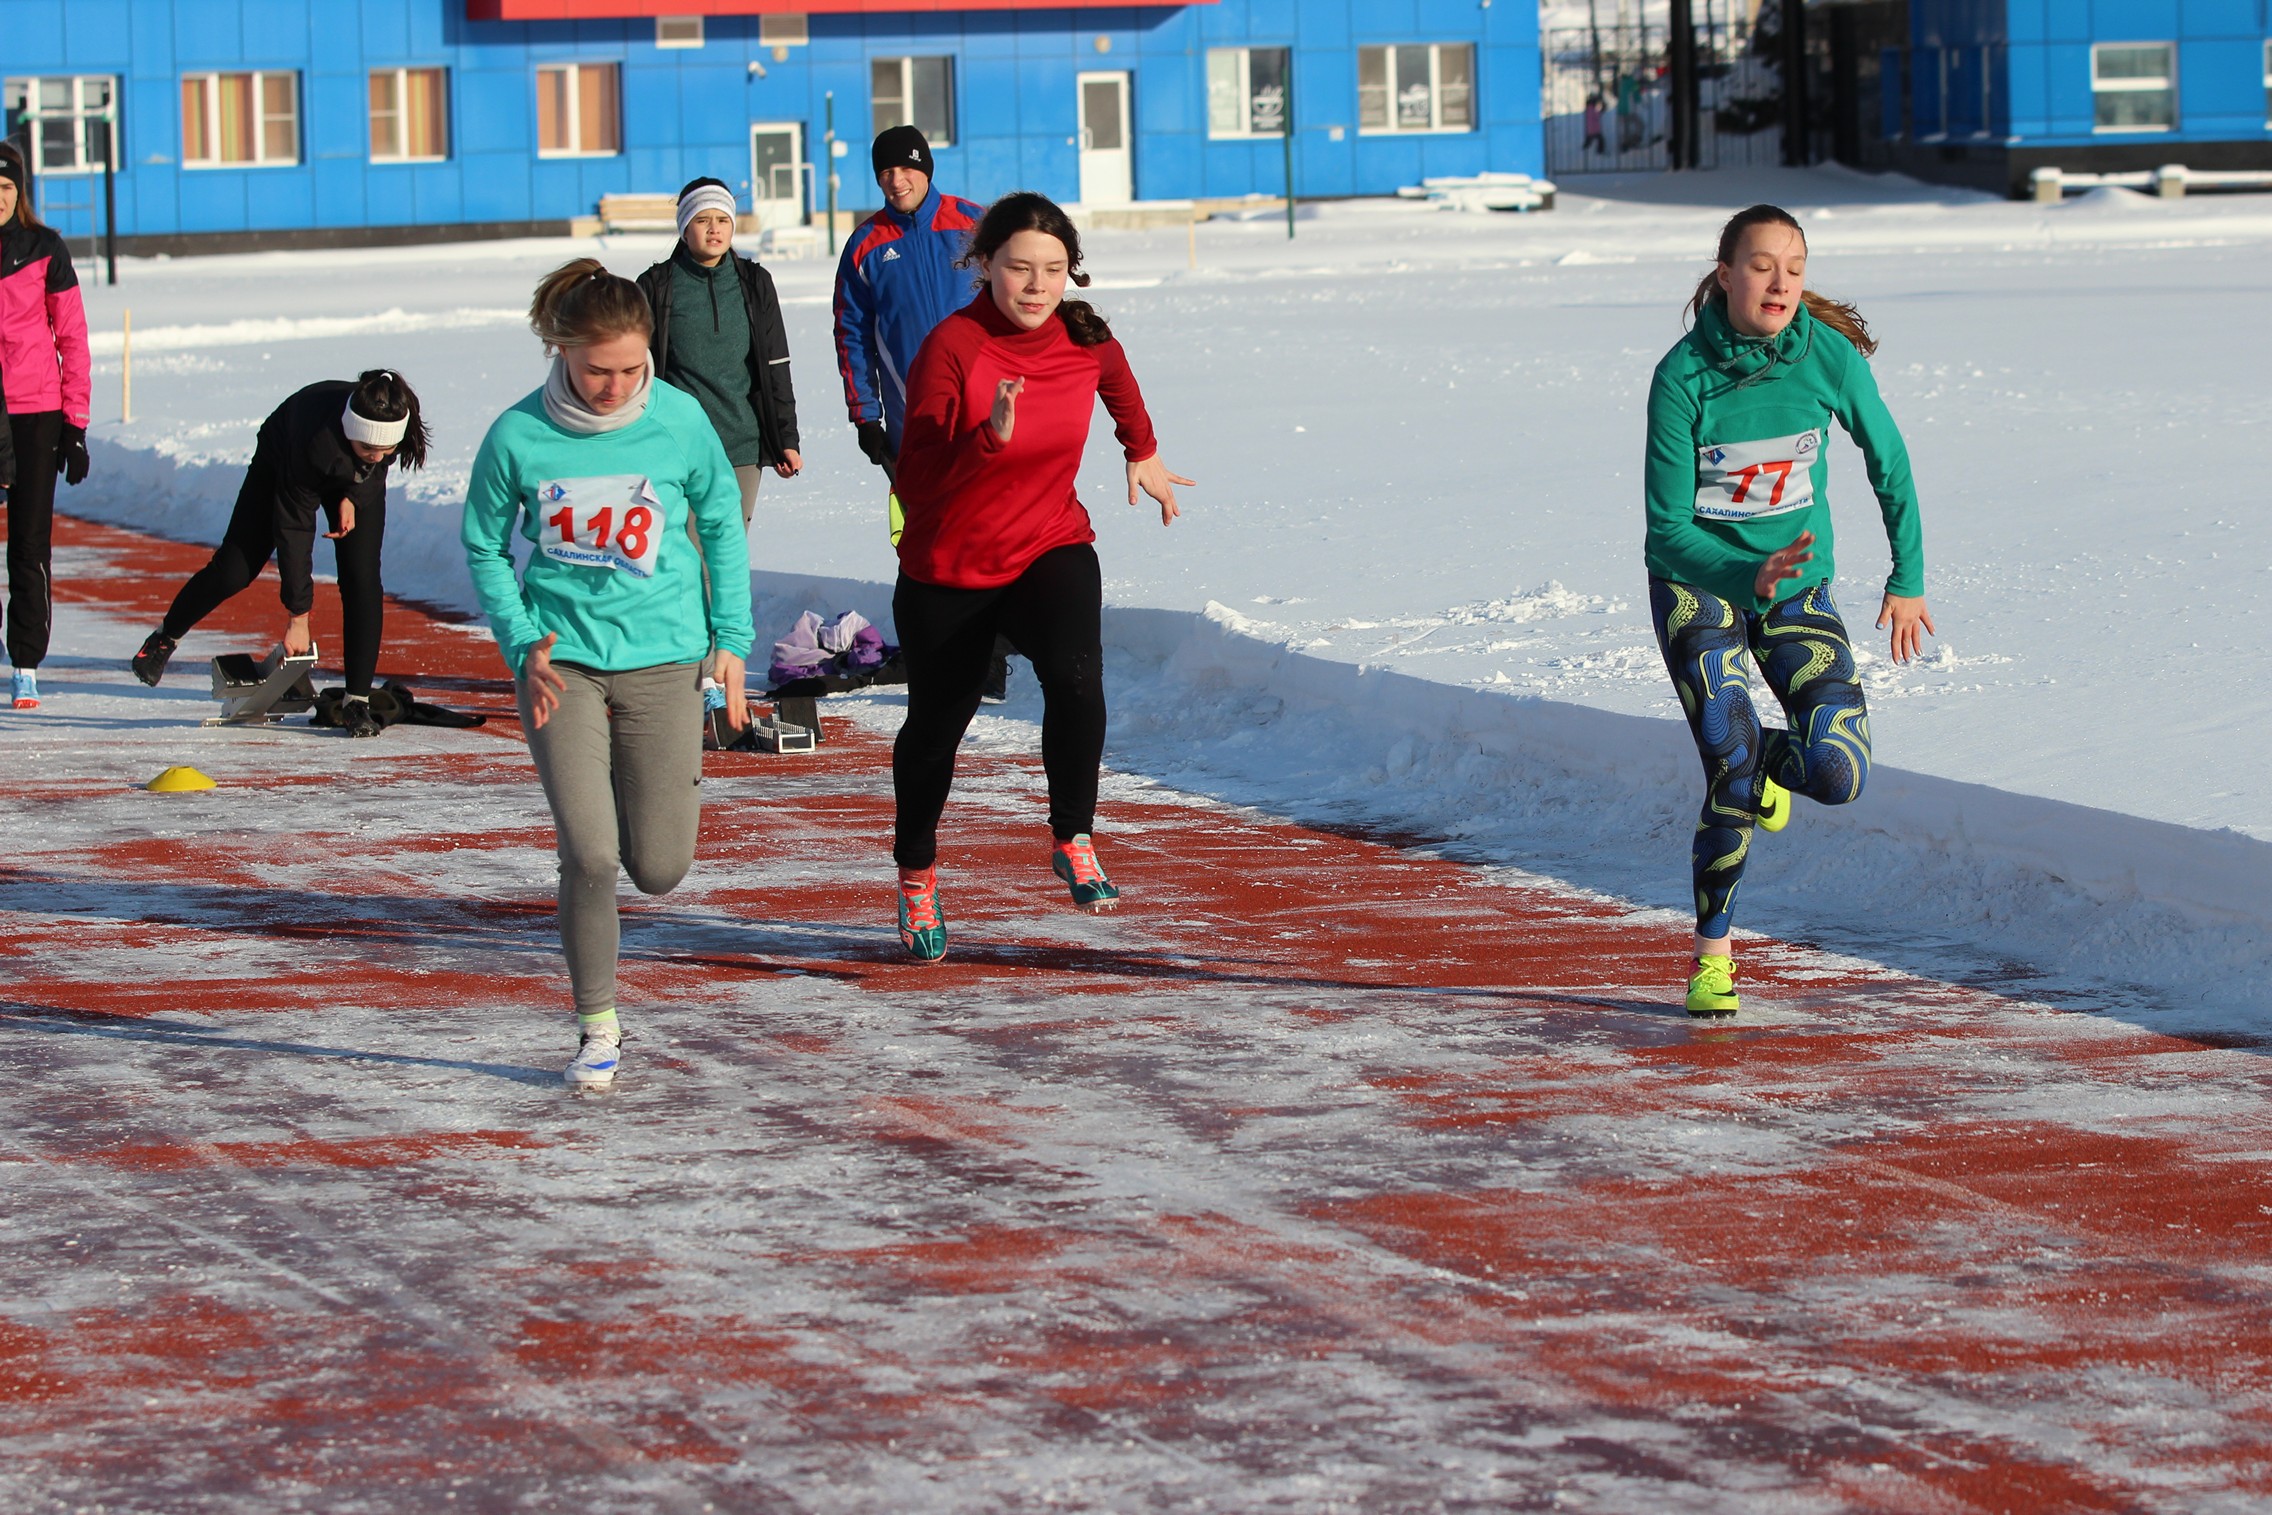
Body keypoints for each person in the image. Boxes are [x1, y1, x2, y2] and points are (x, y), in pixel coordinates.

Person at [461, 259, 755, 1090]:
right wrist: (521, 640)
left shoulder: (678, 420)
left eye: (631, 368)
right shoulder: (518, 434)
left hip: (665, 657)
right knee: (591, 853)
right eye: (598, 369)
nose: (615, 385)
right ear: (561, 349)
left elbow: (721, 523)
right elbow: (483, 543)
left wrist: (730, 637)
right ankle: (597, 1022)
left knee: (658, 867)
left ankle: (628, 811)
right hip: (563, 668)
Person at [886, 192, 1194, 962]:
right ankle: (917, 873)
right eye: (1019, 267)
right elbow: (916, 479)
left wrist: (1142, 449)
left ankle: (1073, 834)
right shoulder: (952, 347)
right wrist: (988, 436)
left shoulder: (1085, 338)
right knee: (936, 728)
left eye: (1052, 270)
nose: (1035, 285)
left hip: (1048, 543)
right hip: (948, 566)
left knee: (1077, 677)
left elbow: (1118, 384)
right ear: (984, 264)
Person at [1643, 203, 1933, 1019]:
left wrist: (1907, 578)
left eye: (1795, 266)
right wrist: (1746, 566)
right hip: (1696, 583)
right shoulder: (1682, 376)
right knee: (1726, 763)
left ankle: (1765, 760)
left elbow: (1891, 460)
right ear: (1727, 272)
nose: (1781, 282)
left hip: (1795, 590)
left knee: (1841, 774)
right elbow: (1666, 529)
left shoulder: (1825, 357)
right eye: (1763, 264)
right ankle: (1713, 958)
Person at [132, 371, 430, 736]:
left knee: (362, 578)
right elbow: (295, 532)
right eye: (369, 449)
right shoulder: (313, 442)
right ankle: (165, 637)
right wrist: (298, 615)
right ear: (352, 431)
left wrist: (352, 495)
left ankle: (357, 702)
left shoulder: (392, 416)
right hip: (283, 458)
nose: (379, 457)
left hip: (346, 473)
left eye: (387, 450)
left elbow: (375, 469)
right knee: (235, 569)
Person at [831, 126, 1015, 702]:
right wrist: (866, 417)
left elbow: (1021, 298)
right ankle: (932, 649)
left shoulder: (974, 221)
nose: (896, 179)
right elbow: (851, 334)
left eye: (906, 168)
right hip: (915, 422)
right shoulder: (866, 244)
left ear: (927, 169)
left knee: (990, 526)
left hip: (988, 411)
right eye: (885, 171)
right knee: (924, 537)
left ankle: (991, 656)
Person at [636, 177, 801, 525]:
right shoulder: (656, 286)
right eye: (702, 220)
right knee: (686, 557)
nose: (714, 229)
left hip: (742, 446)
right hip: (679, 446)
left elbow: (775, 367)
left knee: (728, 558)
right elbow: (636, 371)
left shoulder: (755, 283)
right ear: (684, 228)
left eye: (723, 219)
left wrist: (786, 438)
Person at [0, 141, 93, 711]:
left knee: (30, 544)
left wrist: (75, 425)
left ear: (20, 192)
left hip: (35, 413)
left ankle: (26, 661)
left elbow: (72, 338)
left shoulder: (45, 248)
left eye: (6, 188)